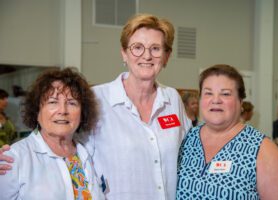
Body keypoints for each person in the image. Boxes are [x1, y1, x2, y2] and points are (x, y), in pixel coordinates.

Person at [0, 14, 191, 200]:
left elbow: (191, 152)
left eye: (156, 48)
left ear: (166, 56)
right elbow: (57, 134)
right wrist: (16, 156)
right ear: (124, 53)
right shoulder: (97, 99)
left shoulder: (172, 99)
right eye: (137, 47)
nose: (147, 56)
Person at [176, 64, 278, 199]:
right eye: (208, 93)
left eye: (225, 94)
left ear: (240, 101)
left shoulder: (263, 150)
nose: (215, 100)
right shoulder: (185, 139)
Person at [0, 68, 105, 200]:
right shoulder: (12, 159)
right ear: (36, 111)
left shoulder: (88, 153)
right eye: (53, 102)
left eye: (72, 103)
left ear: (82, 112)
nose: (63, 110)